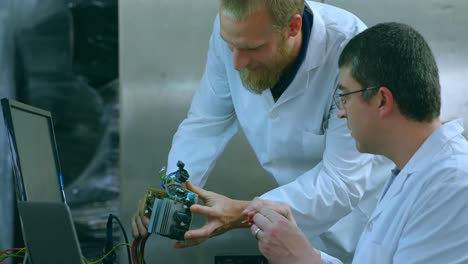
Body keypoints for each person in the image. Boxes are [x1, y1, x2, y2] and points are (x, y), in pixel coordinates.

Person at [132, 0, 393, 260]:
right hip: (293, 226)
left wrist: (247, 212)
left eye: (251, 48)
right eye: (230, 45)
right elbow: (206, 122)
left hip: (367, 227)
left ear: (293, 26)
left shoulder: (352, 51)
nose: (236, 62)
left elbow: (341, 183)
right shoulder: (237, 32)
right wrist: (173, 194)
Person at [245, 22, 468, 264]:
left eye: (345, 96)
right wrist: (300, 247)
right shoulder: (416, 173)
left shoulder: (454, 184)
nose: (341, 113)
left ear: (382, 100)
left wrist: (303, 259)